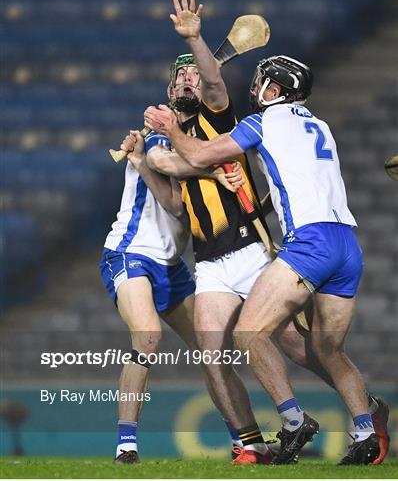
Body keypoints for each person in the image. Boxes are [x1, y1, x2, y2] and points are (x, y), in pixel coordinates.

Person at [143, 52, 389, 465]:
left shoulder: (245, 120)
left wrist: (176, 127)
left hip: (290, 247)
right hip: (337, 242)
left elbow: (201, 151)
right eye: (180, 77)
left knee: (266, 339)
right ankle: (349, 430)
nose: (254, 89)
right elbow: (289, 183)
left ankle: (297, 421)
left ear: (274, 91)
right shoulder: (318, 125)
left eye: (261, 82)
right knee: (322, 348)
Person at [99, 113, 250, 464]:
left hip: (171, 265)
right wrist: (210, 169)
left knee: (212, 351)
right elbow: (168, 183)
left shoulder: (199, 145)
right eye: (180, 79)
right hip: (129, 251)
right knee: (148, 337)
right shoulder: (156, 141)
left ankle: (244, 440)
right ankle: (126, 446)